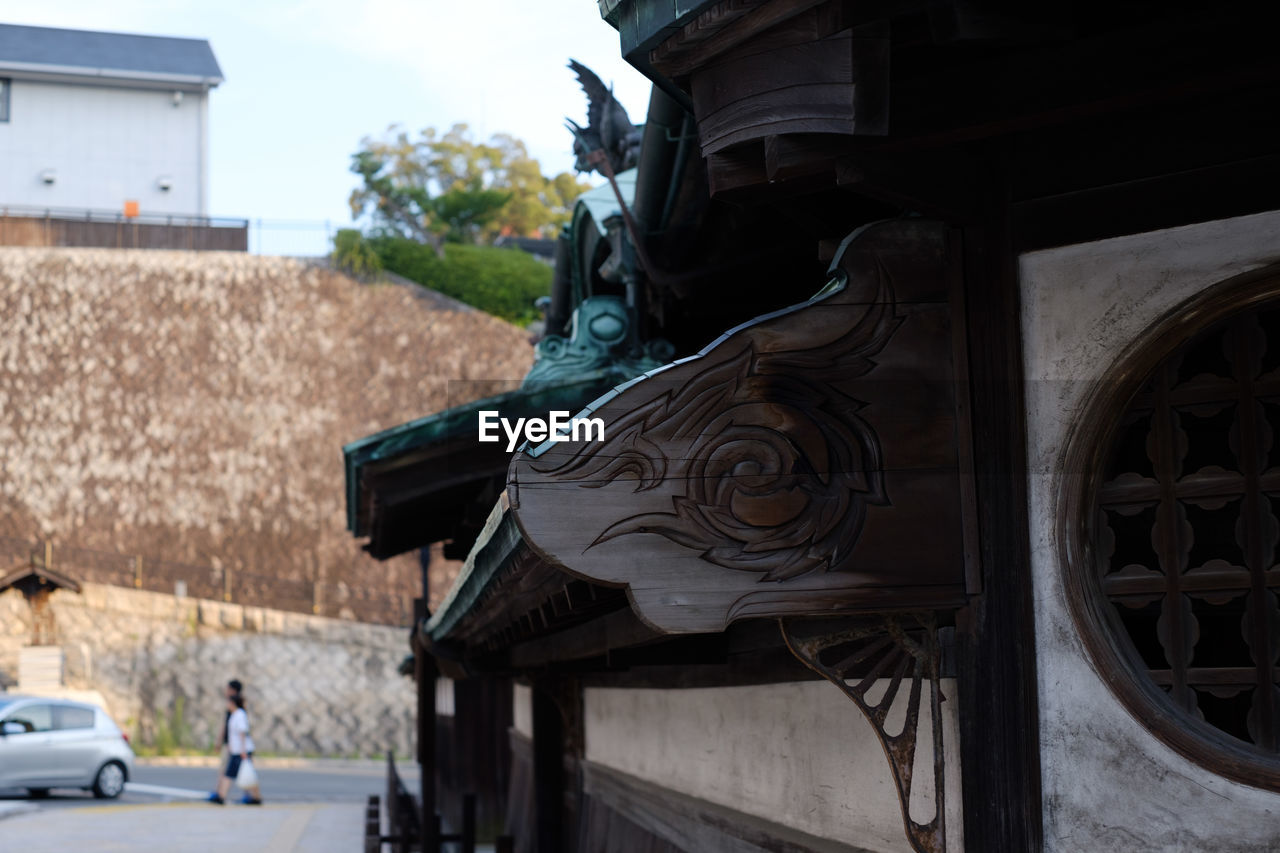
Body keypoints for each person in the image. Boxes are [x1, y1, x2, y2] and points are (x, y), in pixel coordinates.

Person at [208, 694, 262, 805]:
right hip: (238, 750)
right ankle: (256, 797)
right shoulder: (235, 715)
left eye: (228, 702)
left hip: (241, 751)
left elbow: (242, 733)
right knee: (247, 773)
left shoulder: (240, 714)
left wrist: (242, 750)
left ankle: (221, 796)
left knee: (230, 773)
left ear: (232, 703)